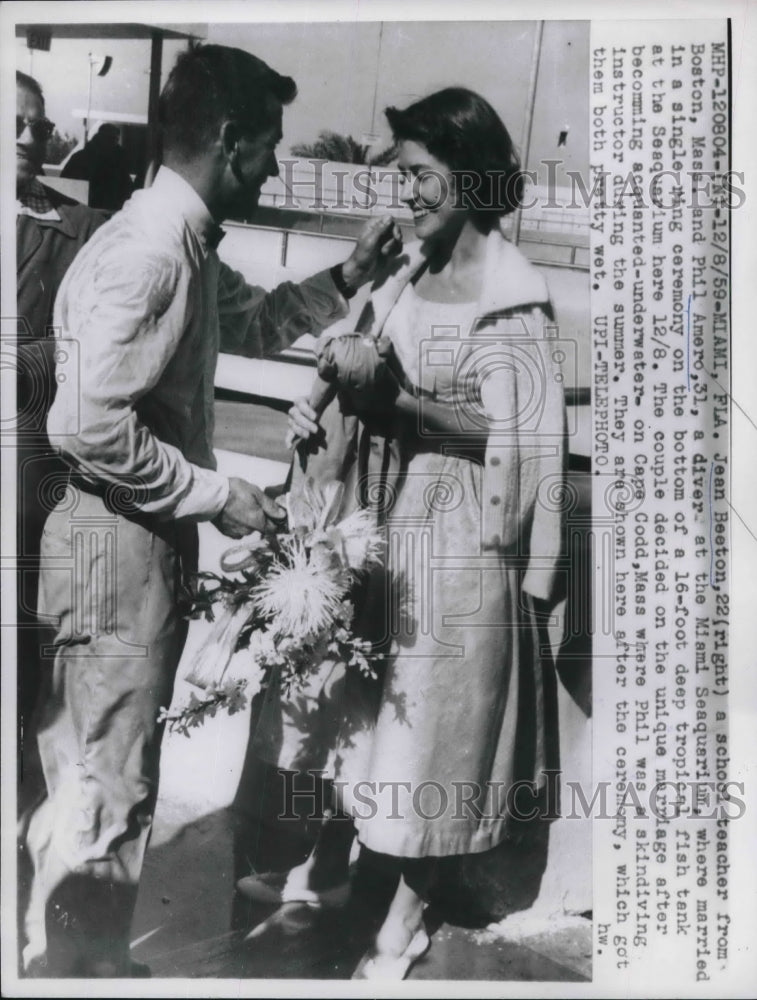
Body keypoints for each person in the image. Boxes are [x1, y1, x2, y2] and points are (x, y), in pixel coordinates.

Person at [21, 43, 400, 978]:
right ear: (230, 142)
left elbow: (257, 321)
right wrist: (214, 492)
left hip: (128, 545)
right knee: (105, 783)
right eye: (268, 146)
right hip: (116, 549)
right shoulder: (152, 251)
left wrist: (346, 278)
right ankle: (74, 971)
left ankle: (78, 956)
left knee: (97, 773)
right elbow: (84, 423)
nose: (274, 166)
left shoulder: (174, 237)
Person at [242, 87, 566, 979]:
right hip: (382, 519)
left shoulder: (514, 298)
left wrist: (404, 407)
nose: (409, 194)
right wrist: (318, 407)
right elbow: (351, 351)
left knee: (431, 731)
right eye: (404, 176)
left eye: (423, 177)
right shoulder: (408, 272)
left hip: (460, 537)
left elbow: (524, 438)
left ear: (472, 176)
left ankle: (406, 919)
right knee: (356, 704)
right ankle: (331, 869)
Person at [15, 70, 107, 807]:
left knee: (23, 635)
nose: (25, 138)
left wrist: (22, 363)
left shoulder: (78, 228)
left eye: (37, 127)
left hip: (27, 469)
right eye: (12, 123)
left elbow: (83, 346)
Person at [61, 123, 134, 212]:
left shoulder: (118, 162)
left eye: (115, 139)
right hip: (83, 211)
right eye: (109, 138)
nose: (112, 143)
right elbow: (65, 185)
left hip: (108, 213)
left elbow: (127, 190)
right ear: (100, 138)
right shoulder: (80, 158)